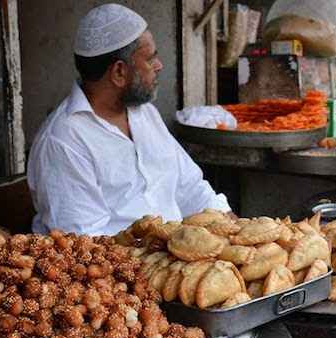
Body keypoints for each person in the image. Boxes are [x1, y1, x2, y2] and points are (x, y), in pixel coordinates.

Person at [27, 4, 232, 235]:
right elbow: (85, 245)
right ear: (119, 73)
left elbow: (191, 189)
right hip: (124, 265)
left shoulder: (145, 114)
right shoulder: (63, 141)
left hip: (173, 253)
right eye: (150, 59)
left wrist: (235, 228)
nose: (159, 65)